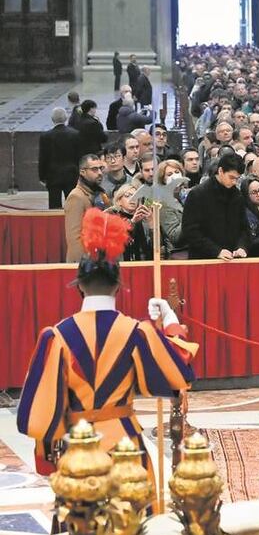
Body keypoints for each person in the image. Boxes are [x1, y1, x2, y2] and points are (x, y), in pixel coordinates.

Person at [17, 208, 196, 479]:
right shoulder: (137, 332)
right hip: (127, 449)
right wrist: (170, 322)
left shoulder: (56, 337)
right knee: (135, 517)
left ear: (79, 287)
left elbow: (41, 415)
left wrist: (44, 457)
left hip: (77, 451)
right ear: (118, 287)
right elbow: (179, 374)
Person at [181, 152, 250, 260]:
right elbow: (190, 231)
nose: (234, 182)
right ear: (220, 171)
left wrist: (242, 247)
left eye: (237, 178)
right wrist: (216, 251)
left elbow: (244, 228)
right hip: (203, 259)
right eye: (231, 177)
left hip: (232, 258)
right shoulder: (198, 194)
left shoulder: (237, 195)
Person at [64, 154, 110, 262]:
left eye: (101, 168)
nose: (99, 173)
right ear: (82, 172)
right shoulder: (76, 197)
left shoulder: (99, 193)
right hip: (85, 263)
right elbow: (74, 238)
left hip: (100, 259)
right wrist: (84, 266)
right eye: (94, 169)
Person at [39, 108, 83, 209]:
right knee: (72, 205)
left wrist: (42, 176)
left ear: (52, 119)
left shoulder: (45, 136)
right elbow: (79, 156)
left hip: (52, 175)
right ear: (66, 118)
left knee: (54, 206)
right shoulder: (75, 134)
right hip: (71, 174)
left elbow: (43, 158)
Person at [104, 183, 153, 260]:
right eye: (127, 196)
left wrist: (151, 223)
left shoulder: (144, 216)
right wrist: (133, 222)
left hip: (143, 263)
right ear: (119, 201)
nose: (132, 199)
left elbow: (155, 246)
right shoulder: (110, 215)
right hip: (119, 263)